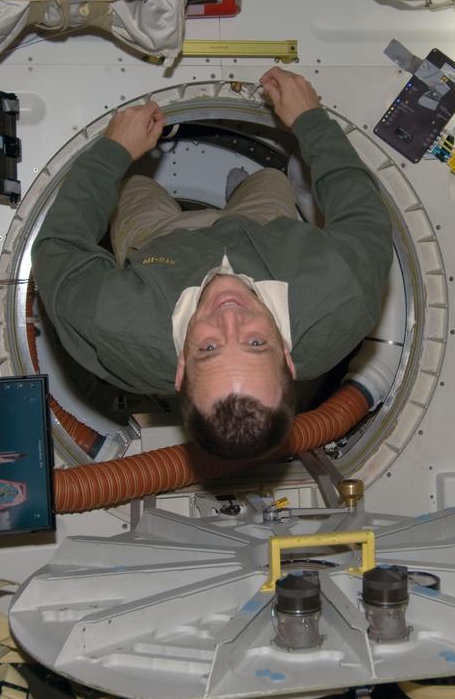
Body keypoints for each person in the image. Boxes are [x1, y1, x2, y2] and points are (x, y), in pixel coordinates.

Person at [33, 67, 396, 461]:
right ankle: (244, 187)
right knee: (271, 180)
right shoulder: (341, 293)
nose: (229, 315)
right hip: (266, 231)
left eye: (208, 347)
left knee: (134, 186)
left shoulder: (118, 322)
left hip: (160, 243)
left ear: (180, 368)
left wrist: (113, 153)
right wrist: (311, 119)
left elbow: (59, 246)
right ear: (291, 361)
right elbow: (362, 211)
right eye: (256, 343)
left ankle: (155, 190)